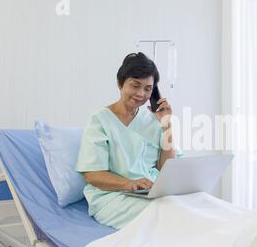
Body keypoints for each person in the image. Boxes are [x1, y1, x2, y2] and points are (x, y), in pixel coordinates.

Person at [76, 52, 180, 229]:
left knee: (195, 205)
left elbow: (166, 168)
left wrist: (166, 124)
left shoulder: (154, 120)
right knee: (168, 215)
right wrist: (129, 184)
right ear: (120, 83)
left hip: (151, 193)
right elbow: (92, 175)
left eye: (148, 88)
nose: (141, 94)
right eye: (135, 85)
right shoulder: (100, 120)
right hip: (113, 196)